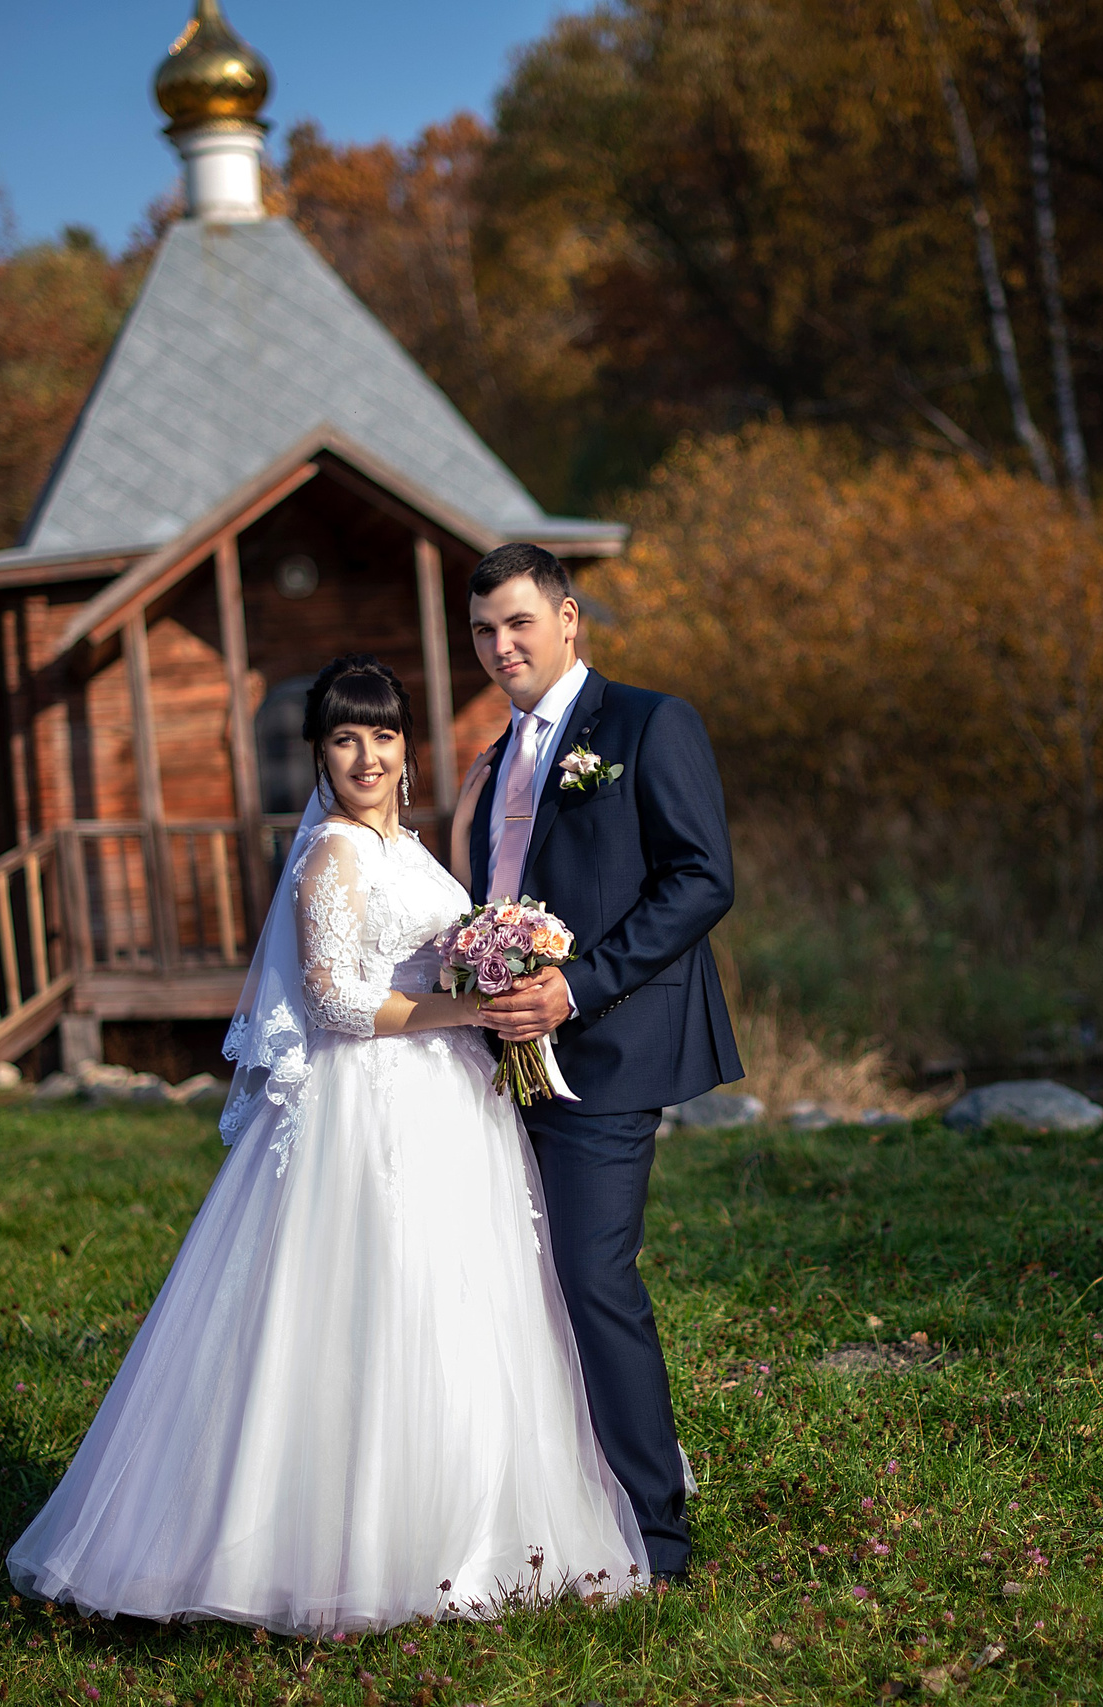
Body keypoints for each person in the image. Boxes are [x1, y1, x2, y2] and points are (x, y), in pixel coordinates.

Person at [6, 657, 647, 1636]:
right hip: (371, 1102)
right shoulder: (332, 856)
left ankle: (469, 1528)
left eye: (382, 735)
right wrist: (464, 1006)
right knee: (369, 1303)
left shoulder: (411, 851)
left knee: (462, 1302)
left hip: (447, 1098)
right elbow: (338, 1001)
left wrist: (498, 959)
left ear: (405, 748)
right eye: (345, 738)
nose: (366, 755)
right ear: (318, 754)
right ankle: (329, 1544)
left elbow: (437, 940)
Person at [453, 543, 742, 1585]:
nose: (502, 646)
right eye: (485, 630)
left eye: (520, 623)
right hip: (502, 1062)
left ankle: (656, 1532)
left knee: (590, 1276)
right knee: (511, 1284)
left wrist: (577, 985)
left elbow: (703, 878)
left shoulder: (649, 724)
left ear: (569, 619)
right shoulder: (497, 756)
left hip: (609, 1049)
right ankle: (538, 1503)